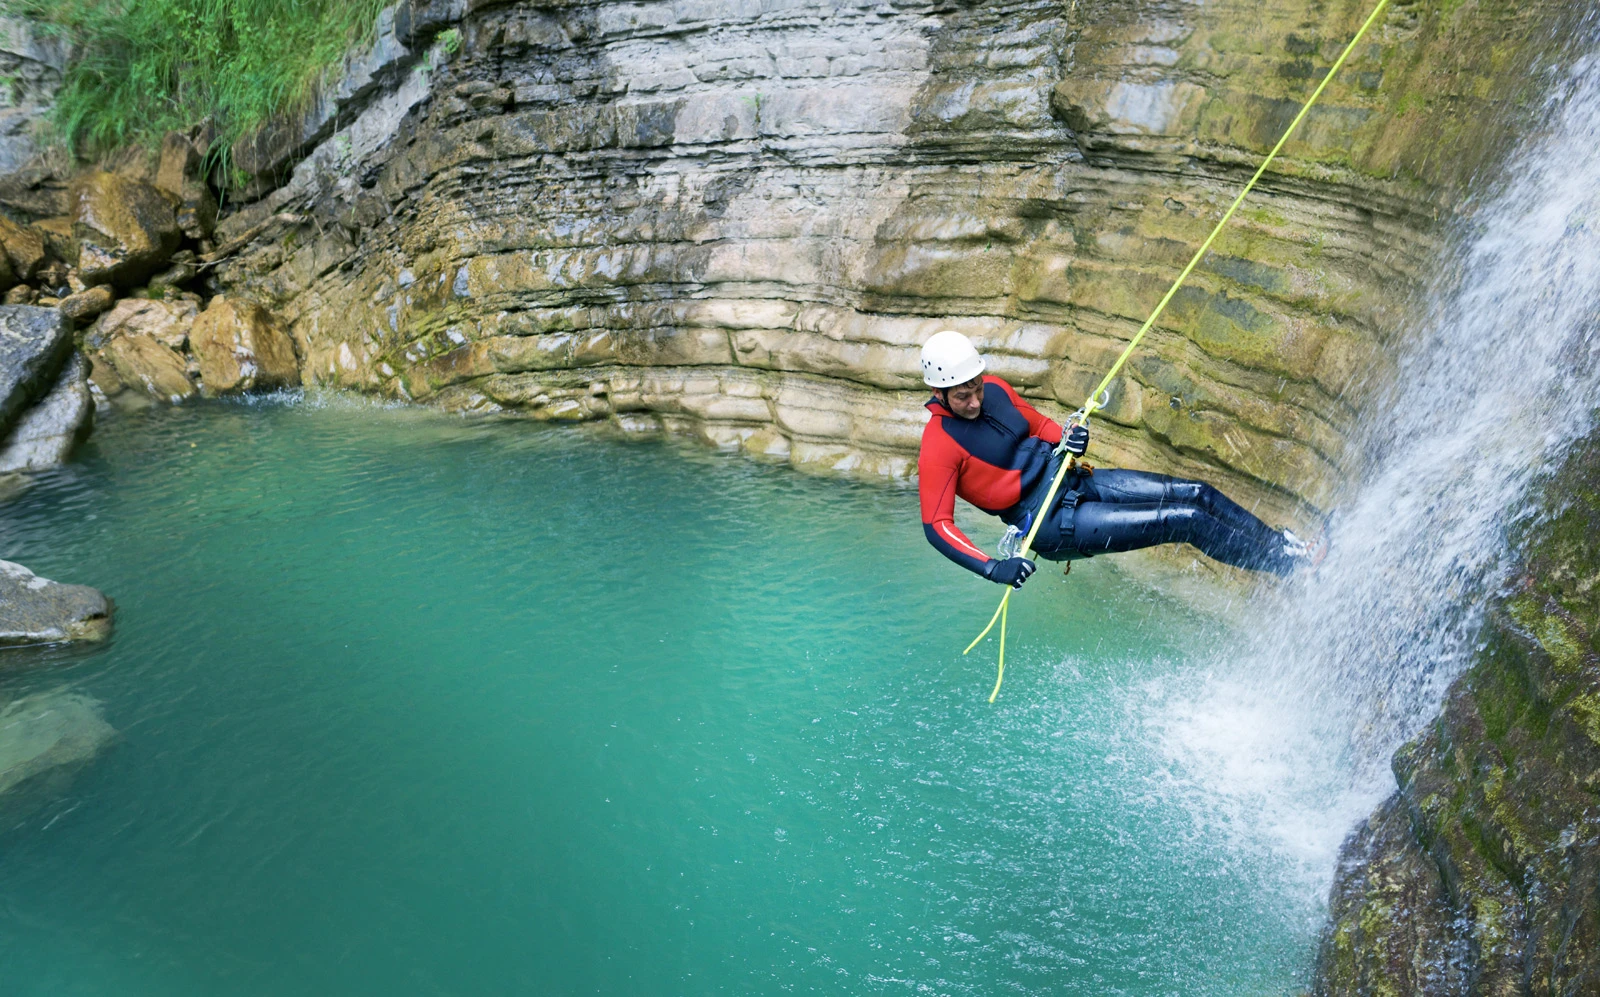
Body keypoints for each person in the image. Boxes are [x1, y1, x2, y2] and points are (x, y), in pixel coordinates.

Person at [917, 330, 1317, 588]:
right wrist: (991, 568)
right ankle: (1293, 567)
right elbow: (937, 526)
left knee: (1198, 494)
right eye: (961, 396)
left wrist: (1070, 437)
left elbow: (1039, 426)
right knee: (1187, 521)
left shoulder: (997, 390)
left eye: (975, 389)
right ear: (939, 392)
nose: (973, 401)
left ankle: (1287, 546)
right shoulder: (939, 446)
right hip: (1053, 524)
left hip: (1074, 481)